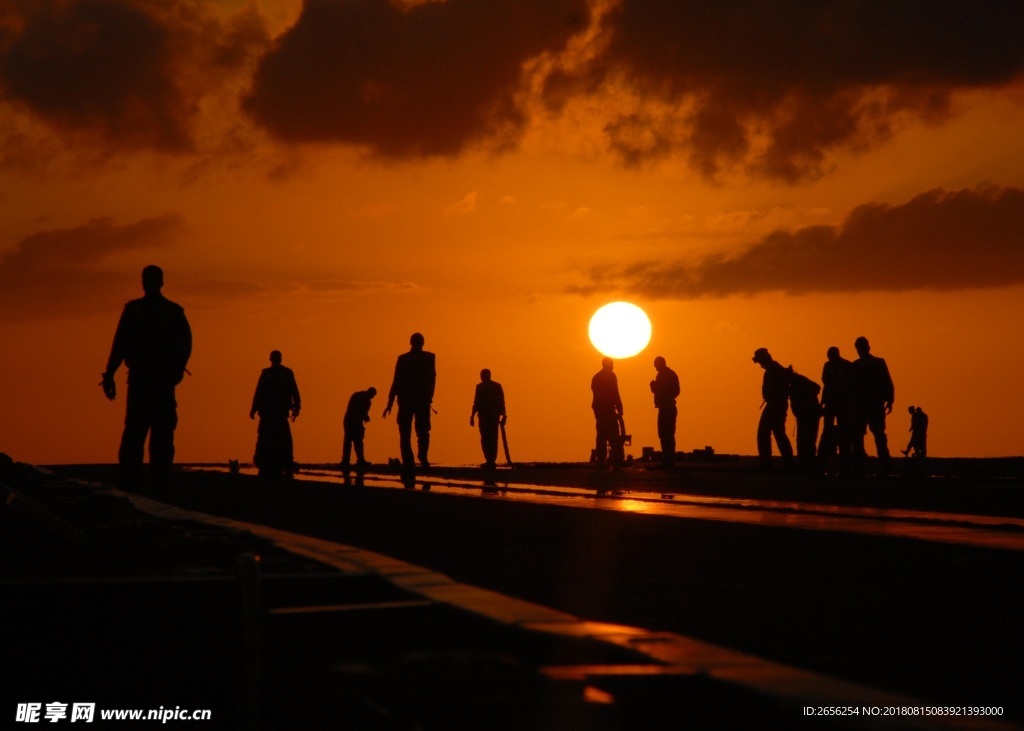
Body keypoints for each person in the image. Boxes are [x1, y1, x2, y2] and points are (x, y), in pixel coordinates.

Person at [101, 265, 192, 493]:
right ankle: (139, 483)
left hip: (156, 383)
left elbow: (184, 344)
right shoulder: (140, 311)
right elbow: (120, 345)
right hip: (147, 382)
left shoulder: (168, 312)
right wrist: (110, 374)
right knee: (139, 434)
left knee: (154, 434)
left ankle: (154, 483)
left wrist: (176, 371)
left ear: (158, 282)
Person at [383, 333, 436, 483]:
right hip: (417, 401)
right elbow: (432, 380)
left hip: (411, 401)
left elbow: (396, 382)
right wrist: (390, 402)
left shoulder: (405, 359)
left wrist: (390, 402)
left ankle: (412, 460)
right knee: (421, 432)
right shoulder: (428, 358)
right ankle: (421, 458)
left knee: (410, 433)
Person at [249, 350, 301, 478]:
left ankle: (286, 460)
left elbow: (295, 391)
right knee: (264, 438)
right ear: (271, 359)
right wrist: (253, 409)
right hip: (267, 413)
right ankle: (263, 461)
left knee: (284, 438)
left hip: (280, 412)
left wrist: (297, 407)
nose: (277, 360)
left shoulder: (287, 374)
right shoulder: (266, 374)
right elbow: (259, 392)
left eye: (278, 357)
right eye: (275, 358)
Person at [850, 336, 895, 477]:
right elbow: (887, 382)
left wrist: (889, 399)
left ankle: (862, 467)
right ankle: (884, 466)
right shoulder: (876, 363)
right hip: (871, 405)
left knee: (863, 437)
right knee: (876, 436)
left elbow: (887, 381)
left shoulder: (857, 366)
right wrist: (890, 399)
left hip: (866, 405)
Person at [752, 348, 794, 469]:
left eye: (760, 361)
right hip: (777, 404)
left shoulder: (774, 370)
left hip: (776, 405)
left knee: (765, 433)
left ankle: (767, 462)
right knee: (778, 433)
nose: (760, 364)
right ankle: (787, 462)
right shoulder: (775, 369)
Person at [817, 346, 854, 476]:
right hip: (834, 403)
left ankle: (844, 466)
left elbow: (828, 385)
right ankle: (824, 464)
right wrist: (822, 403)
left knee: (841, 434)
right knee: (831, 433)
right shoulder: (832, 365)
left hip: (840, 403)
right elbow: (826, 385)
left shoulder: (845, 366)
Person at [470, 369, 507, 470]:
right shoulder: (479, 387)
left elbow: (501, 401)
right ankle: (488, 459)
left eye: (484, 375)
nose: (482, 377)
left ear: (489, 376)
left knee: (493, 438)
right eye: (481, 375)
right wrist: (472, 416)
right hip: (482, 416)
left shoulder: (496, 386)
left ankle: (491, 460)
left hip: (493, 416)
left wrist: (504, 415)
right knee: (484, 438)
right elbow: (476, 402)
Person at [591, 357, 625, 467]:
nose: (613, 366)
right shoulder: (604, 377)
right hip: (603, 409)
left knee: (608, 433)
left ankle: (610, 458)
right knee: (606, 433)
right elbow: (615, 392)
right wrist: (619, 406)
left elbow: (615, 391)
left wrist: (619, 406)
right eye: (611, 364)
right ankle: (605, 458)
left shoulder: (603, 376)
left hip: (605, 408)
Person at [788, 366, 822, 475]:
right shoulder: (797, 383)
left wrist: (804, 404)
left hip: (808, 415)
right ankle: (806, 465)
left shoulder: (799, 383)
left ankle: (807, 466)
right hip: (806, 415)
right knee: (806, 440)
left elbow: (816, 388)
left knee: (806, 440)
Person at [649, 356, 681, 468]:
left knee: (668, 434)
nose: (656, 369)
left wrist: (659, 388)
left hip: (668, 408)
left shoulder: (670, 375)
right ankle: (666, 459)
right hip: (663, 408)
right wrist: (654, 388)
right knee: (663, 434)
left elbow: (675, 391)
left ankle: (669, 460)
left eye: (657, 366)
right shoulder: (660, 375)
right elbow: (659, 391)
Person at [341, 387, 377, 479]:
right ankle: (357, 460)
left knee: (350, 441)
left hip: (349, 419)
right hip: (353, 420)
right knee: (356, 441)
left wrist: (364, 416)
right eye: (372, 396)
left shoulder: (356, 395)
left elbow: (352, 408)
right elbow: (360, 411)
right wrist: (365, 417)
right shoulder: (366, 401)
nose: (372, 398)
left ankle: (347, 461)